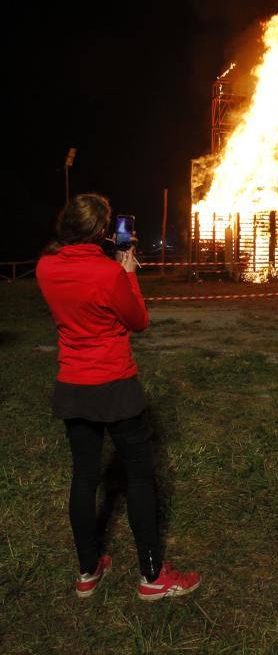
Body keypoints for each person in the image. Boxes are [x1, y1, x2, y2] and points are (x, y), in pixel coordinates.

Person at [37, 193, 201, 601]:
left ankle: (88, 570)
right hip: (114, 385)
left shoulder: (45, 267)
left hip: (73, 385)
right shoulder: (107, 274)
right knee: (140, 477)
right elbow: (138, 321)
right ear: (104, 232)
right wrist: (127, 273)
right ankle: (151, 577)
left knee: (84, 476)